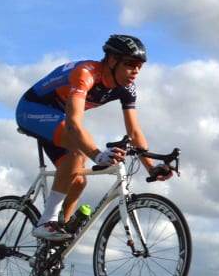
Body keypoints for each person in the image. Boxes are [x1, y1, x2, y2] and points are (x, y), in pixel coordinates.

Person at [15, 35, 173, 264]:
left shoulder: (126, 88)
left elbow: (135, 131)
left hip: (59, 119)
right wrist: (98, 155)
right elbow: (73, 125)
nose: (135, 71)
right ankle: (45, 222)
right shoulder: (86, 74)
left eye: (139, 66)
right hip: (33, 110)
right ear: (111, 61)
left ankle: (50, 250)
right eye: (130, 64)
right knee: (80, 151)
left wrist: (151, 168)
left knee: (77, 181)